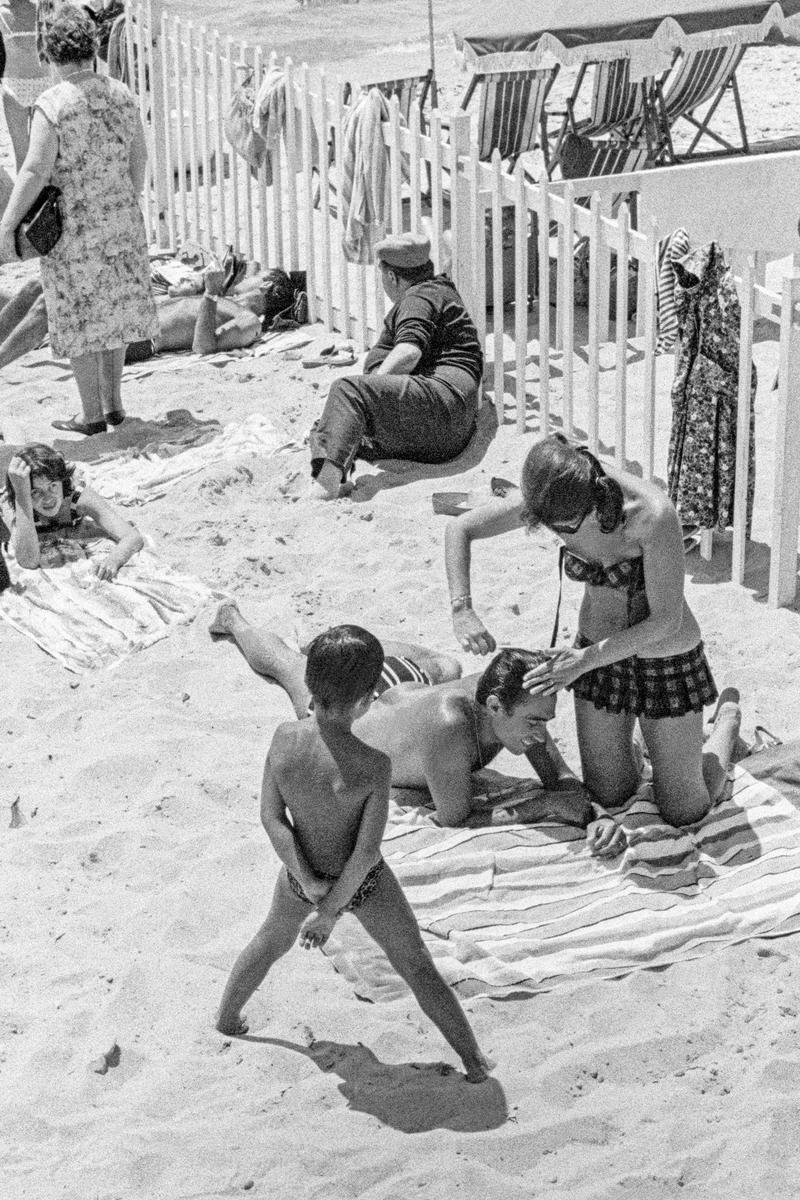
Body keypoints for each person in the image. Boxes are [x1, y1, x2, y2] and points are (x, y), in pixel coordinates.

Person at [215, 624, 493, 1083]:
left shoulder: (284, 738)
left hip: (301, 874)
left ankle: (227, 1018)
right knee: (415, 965)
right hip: (361, 886)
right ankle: (474, 1062)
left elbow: (272, 819)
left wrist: (306, 882)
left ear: (310, 683)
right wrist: (329, 914)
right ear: (366, 701)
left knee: (268, 943)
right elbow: (365, 856)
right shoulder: (372, 765)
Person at [444, 432, 742, 828]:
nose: (560, 533)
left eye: (566, 527)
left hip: (662, 658)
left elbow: (666, 619)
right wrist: (462, 608)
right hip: (595, 659)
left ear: (593, 502)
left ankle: (727, 719)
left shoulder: (651, 514)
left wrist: (584, 660)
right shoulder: (552, 492)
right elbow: (460, 529)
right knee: (610, 796)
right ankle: (651, 745)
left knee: (686, 811)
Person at [208, 598, 626, 853]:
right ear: (495, 705)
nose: (541, 735)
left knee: (446, 665)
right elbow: (455, 820)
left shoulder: (516, 703)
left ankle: (358, 652)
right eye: (536, 723)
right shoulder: (451, 729)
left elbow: (561, 778)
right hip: (355, 716)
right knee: (289, 667)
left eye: (544, 722)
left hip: (406, 690)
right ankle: (233, 620)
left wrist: (596, 815)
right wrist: (543, 806)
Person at [0, 4, 157, 435]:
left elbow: (33, 170)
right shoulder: (123, 94)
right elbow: (137, 160)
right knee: (115, 315)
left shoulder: (51, 104)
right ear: (91, 50)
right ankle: (115, 405)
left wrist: (7, 223)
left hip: (74, 229)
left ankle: (90, 415)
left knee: (81, 317)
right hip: (121, 219)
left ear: (49, 54)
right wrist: (121, 198)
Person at [309, 231, 483, 500]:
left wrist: (373, 387)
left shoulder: (419, 297)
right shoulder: (436, 292)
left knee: (347, 391)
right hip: (449, 429)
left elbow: (408, 352)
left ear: (391, 276)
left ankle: (327, 484)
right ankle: (337, 474)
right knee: (327, 427)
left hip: (442, 411)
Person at [2, 440, 143, 576]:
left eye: (52, 486)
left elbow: (132, 536)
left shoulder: (79, 498)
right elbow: (28, 562)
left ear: (62, 482)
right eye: (36, 492)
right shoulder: (24, 508)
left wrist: (113, 560)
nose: (48, 498)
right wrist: (21, 495)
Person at [0, 2, 52, 171]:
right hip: (43, 82)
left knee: (21, 155)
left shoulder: (2, 12)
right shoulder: (42, 8)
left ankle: (26, 196)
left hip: (14, 83)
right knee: (45, 154)